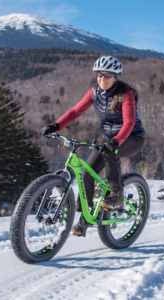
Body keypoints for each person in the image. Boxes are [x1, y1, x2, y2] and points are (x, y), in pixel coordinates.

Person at [42, 56, 145, 237]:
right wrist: (57, 125)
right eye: (99, 75)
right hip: (108, 137)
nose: (102, 80)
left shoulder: (125, 94)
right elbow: (75, 111)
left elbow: (129, 122)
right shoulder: (94, 93)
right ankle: (86, 218)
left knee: (110, 152)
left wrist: (116, 141)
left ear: (115, 77)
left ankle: (117, 194)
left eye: (107, 76)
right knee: (86, 172)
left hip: (132, 137)